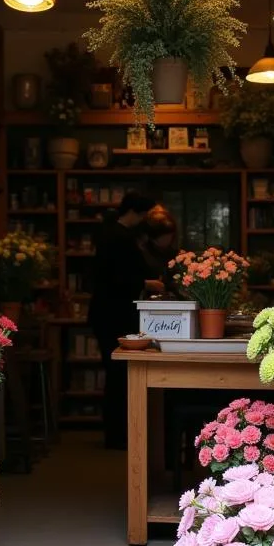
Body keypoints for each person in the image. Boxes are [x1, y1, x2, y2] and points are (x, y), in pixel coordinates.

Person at [88, 192, 155, 449]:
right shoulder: (120, 237)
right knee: (119, 374)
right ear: (136, 213)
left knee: (115, 373)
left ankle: (116, 434)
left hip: (105, 313)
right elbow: (117, 279)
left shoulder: (107, 232)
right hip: (113, 314)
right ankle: (118, 435)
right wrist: (146, 283)